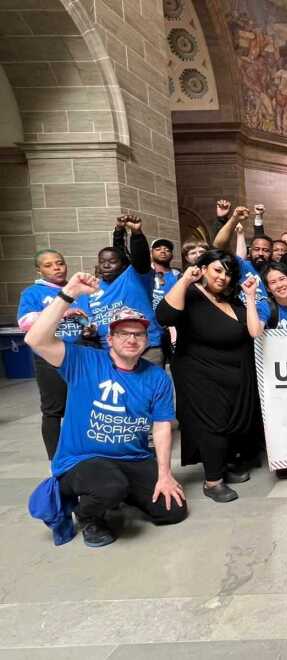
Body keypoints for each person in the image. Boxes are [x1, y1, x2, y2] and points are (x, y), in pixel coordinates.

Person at [25, 284, 186, 548]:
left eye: (139, 334)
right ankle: (87, 514)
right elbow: (35, 339)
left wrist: (165, 474)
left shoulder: (156, 376)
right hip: (83, 459)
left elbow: (161, 427)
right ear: (109, 338)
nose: (132, 339)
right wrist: (68, 295)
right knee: (110, 486)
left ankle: (115, 494)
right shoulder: (83, 360)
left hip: (133, 458)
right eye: (123, 333)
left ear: (147, 340)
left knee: (172, 510)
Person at [156, 250, 263, 503]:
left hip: (234, 376)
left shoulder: (232, 302)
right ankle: (212, 481)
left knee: (228, 426)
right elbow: (164, 316)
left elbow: (254, 332)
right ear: (202, 269)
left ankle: (222, 467)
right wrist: (184, 280)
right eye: (217, 270)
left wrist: (249, 297)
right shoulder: (191, 295)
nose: (223, 277)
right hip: (200, 377)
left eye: (228, 273)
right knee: (211, 427)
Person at [17, 250, 90, 459]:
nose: (57, 267)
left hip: (79, 356)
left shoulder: (78, 290)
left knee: (81, 406)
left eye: (60, 263)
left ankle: (82, 451)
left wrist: (89, 328)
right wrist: (62, 310)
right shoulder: (33, 293)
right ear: (39, 270)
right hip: (49, 358)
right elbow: (25, 323)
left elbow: (85, 319)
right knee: (53, 410)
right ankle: (56, 460)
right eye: (49, 265)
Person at [78, 214, 164, 366]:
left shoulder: (133, 276)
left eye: (112, 262)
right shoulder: (89, 288)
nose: (106, 265)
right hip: (110, 353)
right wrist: (88, 327)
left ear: (122, 265)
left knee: (149, 389)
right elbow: (82, 315)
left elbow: (140, 258)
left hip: (146, 350)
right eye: (102, 262)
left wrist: (136, 234)